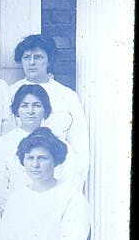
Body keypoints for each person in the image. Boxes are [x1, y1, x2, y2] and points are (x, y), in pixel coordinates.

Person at [8, 34, 89, 191]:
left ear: (49, 60)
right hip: (19, 176)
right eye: (26, 57)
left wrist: (72, 187)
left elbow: (80, 145)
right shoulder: (10, 93)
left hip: (59, 176)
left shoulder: (67, 96)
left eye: (38, 57)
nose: (31, 62)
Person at [0, 85, 66, 210]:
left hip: (50, 209)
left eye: (37, 105)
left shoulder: (58, 143)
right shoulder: (3, 143)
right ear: (17, 110)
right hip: (14, 210)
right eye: (24, 106)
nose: (30, 111)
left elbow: (65, 179)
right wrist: (18, 208)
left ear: (45, 110)